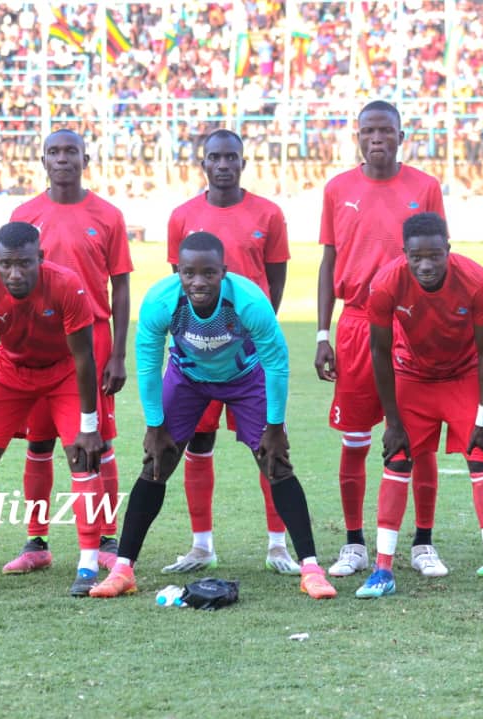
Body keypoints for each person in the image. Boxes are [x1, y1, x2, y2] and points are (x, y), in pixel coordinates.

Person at [90, 232, 337, 600]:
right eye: (189, 273)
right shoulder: (161, 300)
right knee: (156, 462)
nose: (198, 282)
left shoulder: (249, 301)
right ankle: (124, 569)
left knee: (276, 463)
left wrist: (274, 428)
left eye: (208, 273)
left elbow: (276, 365)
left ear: (224, 271)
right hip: (188, 378)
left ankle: (312, 569)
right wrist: (155, 426)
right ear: (178, 272)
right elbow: (147, 364)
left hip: (245, 377)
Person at [316, 100, 448, 578]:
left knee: (419, 440)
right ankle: (354, 543)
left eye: (385, 130)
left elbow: (440, 260)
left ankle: (423, 542)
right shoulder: (338, 189)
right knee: (355, 440)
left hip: (413, 323)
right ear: (357, 136)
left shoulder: (424, 186)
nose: (377, 138)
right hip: (354, 324)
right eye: (368, 131)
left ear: (400, 135)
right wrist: (322, 332)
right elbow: (328, 263)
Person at [359, 213, 483, 603]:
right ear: (404, 255)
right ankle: (383, 568)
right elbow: (378, 351)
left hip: (463, 376)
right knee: (396, 460)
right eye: (416, 257)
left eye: (434, 256)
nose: (425, 265)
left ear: (449, 249)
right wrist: (392, 421)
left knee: (482, 459)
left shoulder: (475, 280)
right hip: (413, 377)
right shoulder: (386, 282)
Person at [162, 129, 297, 576]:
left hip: (250, 355)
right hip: (197, 352)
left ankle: (278, 545)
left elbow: (274, 282)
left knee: (266, 446)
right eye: (215, 158)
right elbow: (179, 285)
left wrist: (250, 332)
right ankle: (202, 545)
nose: (223, 164)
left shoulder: (269, 214)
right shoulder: (183, 216)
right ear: (203, 164)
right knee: (197, 443)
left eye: (231, 157)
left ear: (244, 162)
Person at [3, 129, 132, 576]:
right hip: (37, 341)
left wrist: (117, 353)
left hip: (91, 340)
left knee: (97, 443)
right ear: (42, 160)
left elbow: (120, 287)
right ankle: (36, 541)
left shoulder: (108, 215)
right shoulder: (25, 215)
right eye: (54, 152)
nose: (62, 159)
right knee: (37, 443)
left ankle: (107, 538)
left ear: (85, 158)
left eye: (70, 151)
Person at [0, 222, 105, 596]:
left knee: (82, 458)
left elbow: (84, 356)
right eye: (6, 264)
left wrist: (89, 424)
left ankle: (87, 564)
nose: (14, 273)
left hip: (63, 373)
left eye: (23, 263)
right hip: (9, 372)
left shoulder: (67, 284)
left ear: (40, 257)